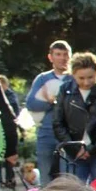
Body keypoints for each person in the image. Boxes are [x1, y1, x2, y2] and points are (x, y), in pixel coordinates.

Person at [52, 52, 96, 182]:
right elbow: (58, 123)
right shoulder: (65, 90)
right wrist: (74, 148)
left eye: (91, 77)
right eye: (81, 78)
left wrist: (92, 149)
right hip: (74, 151)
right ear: (73, 75)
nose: (86, 82)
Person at [25, 40, 71, 181]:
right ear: (50, 57)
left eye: (65, 54)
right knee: (46, 180)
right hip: (46, 134)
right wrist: (51, 102)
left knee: (67, 179)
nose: (62, 58)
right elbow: (31, 103)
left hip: (68, 135)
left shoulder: (74, 78)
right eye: (58, 54)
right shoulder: (43, 79)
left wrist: (54, 100)